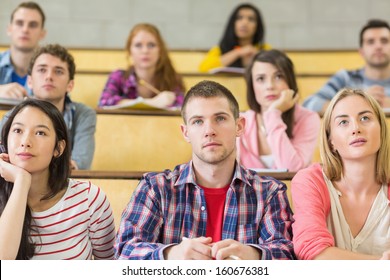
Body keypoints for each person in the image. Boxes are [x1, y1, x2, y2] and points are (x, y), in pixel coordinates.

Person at [114, 80, 295, 260]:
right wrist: (170, 255)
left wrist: (254, 255)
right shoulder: (155, 188)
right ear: (186, 133)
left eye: (220, 118)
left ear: (239, 126)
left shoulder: (269, 191)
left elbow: (287, 253)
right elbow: (124, 251)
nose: (209, 130)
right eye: (198, 121)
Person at [0, 99, 115, 260]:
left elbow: (109, 266)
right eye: (18, 130)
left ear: (58, 148)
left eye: (40, 133)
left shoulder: (89, 198)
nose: (25, 142)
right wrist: (21, 180)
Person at [292, 88, 390, 260]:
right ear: (331, 142)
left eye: (365, 118)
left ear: (381, 130)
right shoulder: (310, 181)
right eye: (343, 122)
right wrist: (381, 264)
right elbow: (312, 252)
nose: (356, 128)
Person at [0, 44, 96, 170]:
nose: (49, 76)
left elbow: (81, 164)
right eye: (42, 70)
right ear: (29, 81)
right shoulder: (13, 115)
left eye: (58, 71)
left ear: (70, 85)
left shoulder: (83, 114)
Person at [237, 50, 320, 172]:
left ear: (290, 81)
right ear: (252, 86)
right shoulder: (240, 122)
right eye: (260, 79)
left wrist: (273, 114)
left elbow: (291, 170)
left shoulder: (308, 118)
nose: (270, 86)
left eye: (278, 77)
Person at [303, 19, 390, 115]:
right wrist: (359, 101)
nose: (378, 46)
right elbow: (309, 104)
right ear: (361, 51)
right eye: (370, 42)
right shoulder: (345, 78)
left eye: (384, 41)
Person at [98, 23, 185, 109]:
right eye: (138, 45)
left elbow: (183, 109)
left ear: (160, 50)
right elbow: (103, 103)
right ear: (130, 51)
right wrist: (154, 102)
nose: (145, 51)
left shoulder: (172, 78)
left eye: (151, 45)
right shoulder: (118, 77)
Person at [199, 3, 271, 73]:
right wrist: (238, 52)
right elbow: (203, 69)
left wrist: (258, 57)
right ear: (232, 23)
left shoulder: (264, 49)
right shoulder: (220, 49)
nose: (244, 23)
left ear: (257, 26)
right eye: (239, 18)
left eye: (251, 19)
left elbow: (277, 68)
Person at [0, 2, 46, 100]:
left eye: (33, 25)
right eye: (19, 23)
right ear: (9, 29)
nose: (25, 29)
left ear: (42, 33)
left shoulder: (51, 71)